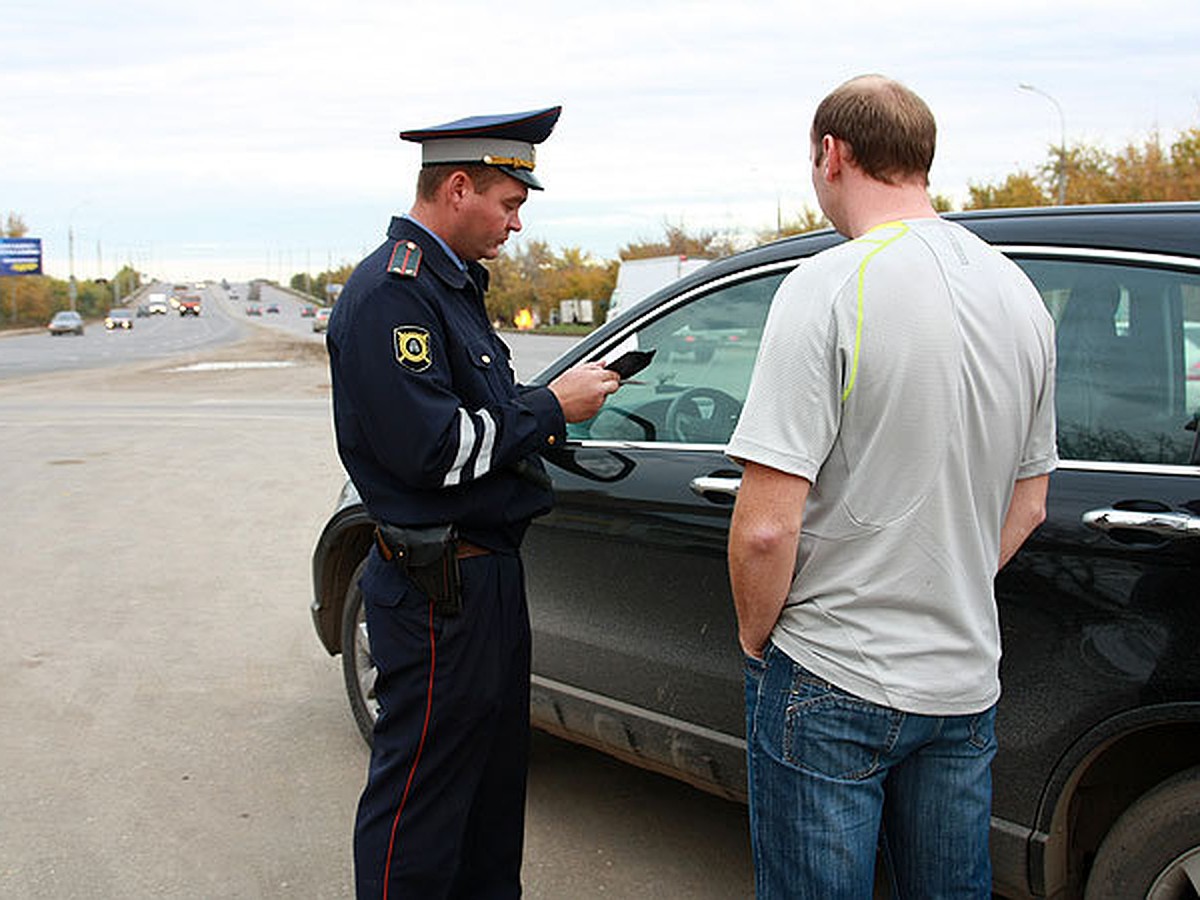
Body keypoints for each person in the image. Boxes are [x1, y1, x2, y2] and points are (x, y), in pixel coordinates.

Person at [726, 75, 1058, 899]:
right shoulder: (1020, 295)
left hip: (832, 671)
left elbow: (767, 528)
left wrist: (755, 640)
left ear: (832, 155)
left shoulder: (827, 285)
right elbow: (1032, 500)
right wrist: (944, 584)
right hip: (962, 683)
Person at [326, 105, 620, 899]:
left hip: (484, 579)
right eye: (510, 205)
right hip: (435, 593)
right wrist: (551, 407)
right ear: (458, 187)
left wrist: (545, 416)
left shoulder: (452, 289)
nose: (516, 225)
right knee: (422, 807)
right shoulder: (395, 294)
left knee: (491, 801)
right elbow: (433, 449)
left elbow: (481, 416)